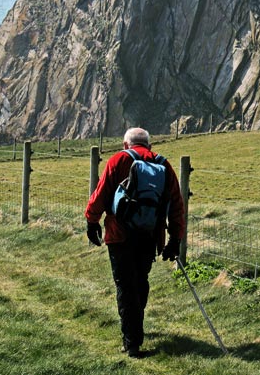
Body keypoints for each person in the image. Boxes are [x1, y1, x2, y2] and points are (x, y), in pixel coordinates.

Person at [85, 127, 185, 358]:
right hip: (150, 235)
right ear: (149, 146)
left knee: (125, 285)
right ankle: (135, 328)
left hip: (119, 234)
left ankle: (132, 342)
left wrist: (92, 221)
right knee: (140, 281)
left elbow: (100, 194)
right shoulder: (164, 165)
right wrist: (175, 239)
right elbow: (176, 206)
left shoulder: (118, 160)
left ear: (125, 144)